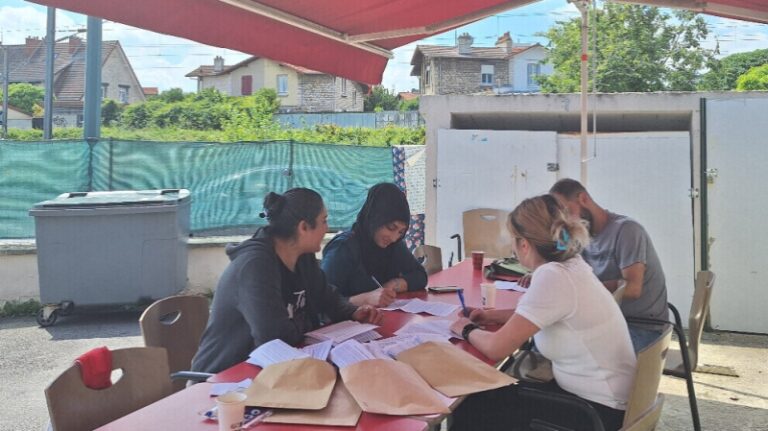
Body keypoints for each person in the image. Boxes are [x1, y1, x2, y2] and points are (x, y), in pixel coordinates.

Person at [450, 195, 636, 431]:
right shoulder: (572, 264)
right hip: (604, 400)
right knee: (484, 397)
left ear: (524, 245)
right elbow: (541, 313)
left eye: (513, 240)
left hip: (596, 414)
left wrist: (466, 329)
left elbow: (497, 348)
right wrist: (492, 316)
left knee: (472, 405)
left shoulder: (553, 276)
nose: (512, 247)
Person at [191, 188, 382, 374]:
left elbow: (327, 298)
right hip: (225, 379)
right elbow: (274, 338)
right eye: (323, 221)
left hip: (277, 368)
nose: (326, 228)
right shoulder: (255, 265)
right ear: (303, 227)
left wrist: (353, 312)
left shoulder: (302, 256)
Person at [549, 178, 668, 352]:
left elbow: (632, 289)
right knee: (548, 341)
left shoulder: (627, 230)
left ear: (583, 199)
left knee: (564, 351)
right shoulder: (579, 234)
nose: (565, 220)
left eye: (566, 211)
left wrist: (579, 292)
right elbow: (566, 270)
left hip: (641, 327)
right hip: (607, 321)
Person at [321, 183, 427, 307]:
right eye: (391, 227)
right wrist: (364, 299)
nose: (394, 238)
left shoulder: (394, 245)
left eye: (401, 232)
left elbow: (420, 276)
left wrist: (394, 285)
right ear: (375, 218)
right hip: (348, 319)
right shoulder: (343, 248)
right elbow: (323, 303)